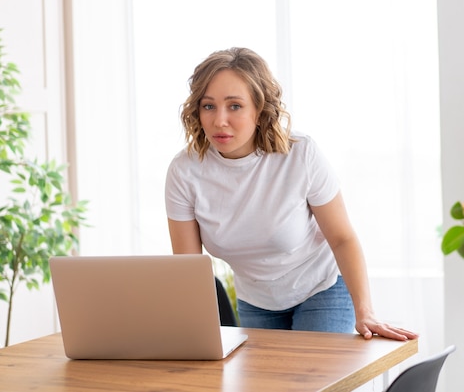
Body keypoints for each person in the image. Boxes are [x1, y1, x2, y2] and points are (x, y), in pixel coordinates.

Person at [165, 47, 418, 341]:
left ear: (258, 110)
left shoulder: (301, 154)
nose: (219, 120)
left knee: (310, 383)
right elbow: (188, 269)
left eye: (234, 106)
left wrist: (366, 311)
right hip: (255, 301)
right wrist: (191, 337)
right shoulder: (184, 171)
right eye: (208, 106)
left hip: (321, 289)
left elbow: (342, 238)